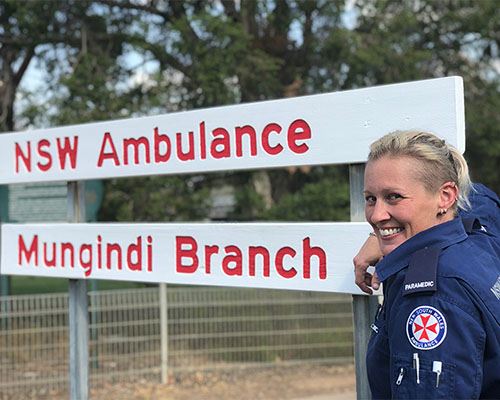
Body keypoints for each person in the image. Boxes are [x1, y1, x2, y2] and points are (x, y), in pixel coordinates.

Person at [358, 130, 500, 399]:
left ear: (446, 196)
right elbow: (480, 200)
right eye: (370, 198)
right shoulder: (478, 240)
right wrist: (397, 231)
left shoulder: (430, 294)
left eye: (394, 197)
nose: (376, 216)